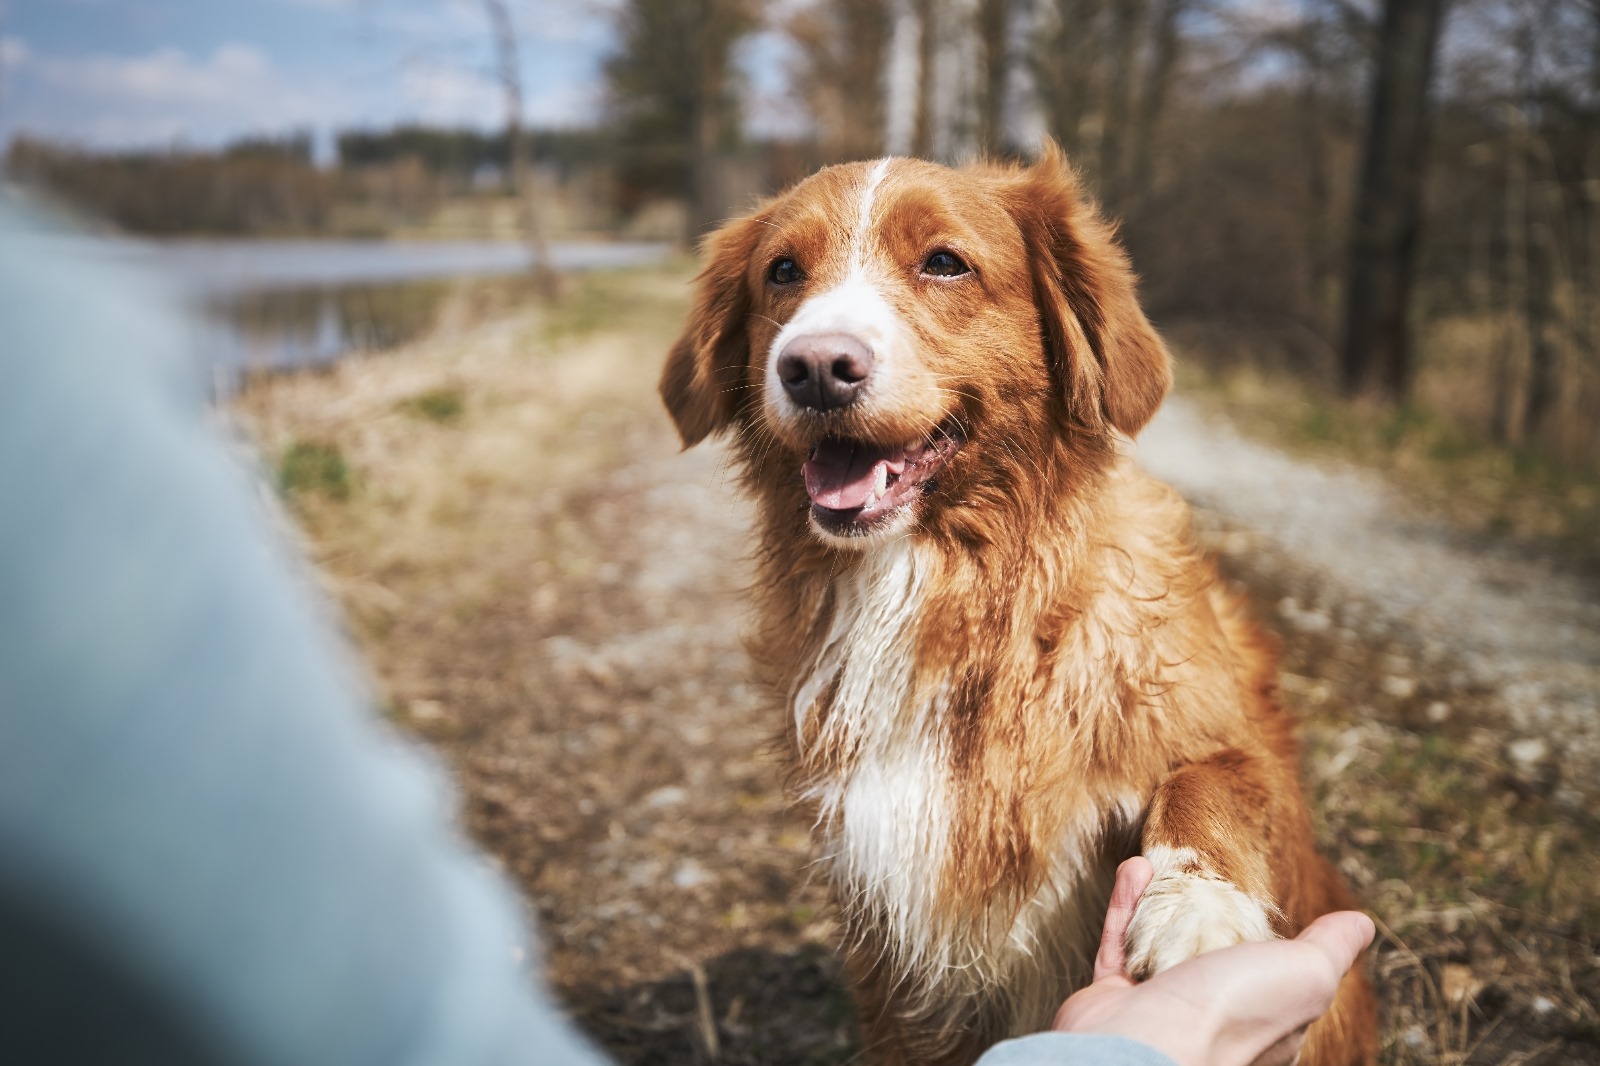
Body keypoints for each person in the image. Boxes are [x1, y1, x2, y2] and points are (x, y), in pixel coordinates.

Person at [0, 195, 1370, 1066]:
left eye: (941, 265)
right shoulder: (821, 608)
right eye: (787, 281)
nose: (825, 341)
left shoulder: (1144, 600)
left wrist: (1195, 858)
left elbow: (1238, 773)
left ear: (1054, 332)